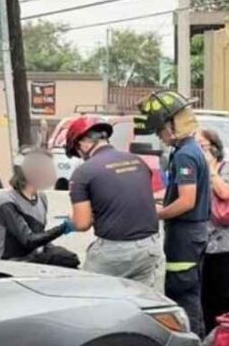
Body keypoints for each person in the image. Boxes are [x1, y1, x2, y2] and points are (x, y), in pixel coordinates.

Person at [140, 90, 212, 339]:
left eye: (160, 130)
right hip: (194, 232)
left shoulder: (184, 155)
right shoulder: (190, 149)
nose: (160, 136)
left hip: (185, 233)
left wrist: (157, 214)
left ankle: (190, 343)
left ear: (173, 125)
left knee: (181, 290)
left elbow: (186, 201)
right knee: (189, 288)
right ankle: (197, 339)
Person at [67, 115, 165, 291]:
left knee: (89, 301)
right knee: (145, 306)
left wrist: (72, 220)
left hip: (113, 253)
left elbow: (82, 223)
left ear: (83, 144)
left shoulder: (83, 172)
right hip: (150, 248)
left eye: (77, 152)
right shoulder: (138, 161)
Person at [0, 147, 79, 268]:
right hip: (11, 262)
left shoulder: (41, 198)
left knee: (69, 259)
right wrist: (65, 227)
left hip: (33, 256)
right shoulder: (7, 202)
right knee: (63, 260)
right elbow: (29, 240)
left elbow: (40, 236)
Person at [197, 128, 229, 334]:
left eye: (203, 146)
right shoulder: (196, 168)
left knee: (226, 295)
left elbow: (225, 193)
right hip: (204, 243)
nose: (199, 150)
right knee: (205, 294)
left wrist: (211, 169)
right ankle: (208, 335)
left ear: (214, 149)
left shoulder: (226, 169)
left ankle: (223, 337)